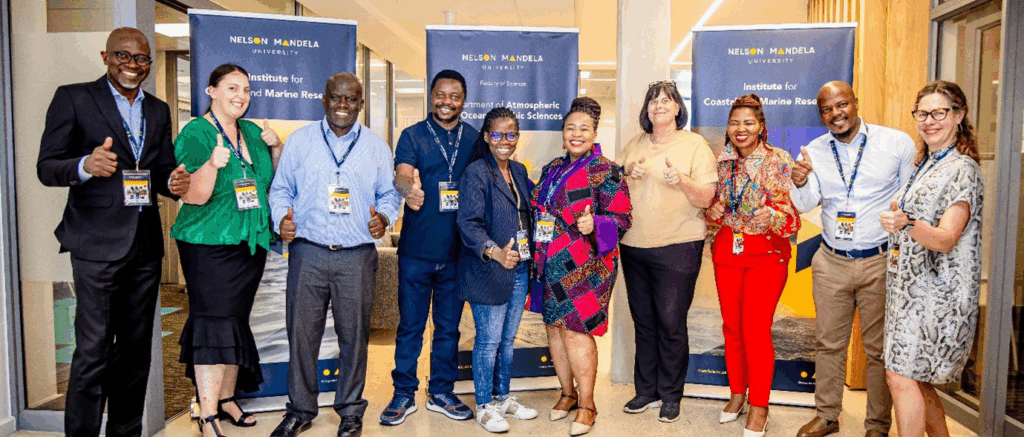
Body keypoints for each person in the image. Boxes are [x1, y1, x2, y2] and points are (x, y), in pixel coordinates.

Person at [36, 27, 190, 437]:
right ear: (106, 57)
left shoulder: (158, 110)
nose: (132, 65)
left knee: (136, 353)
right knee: (93, 351)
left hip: (144, 245)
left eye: (141, 58)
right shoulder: (74, 98)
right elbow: (46, 167)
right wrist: (85, 165)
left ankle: (126, 432)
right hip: (95, 245)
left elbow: (158, 169)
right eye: (123, 56)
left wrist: (171, 183)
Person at [268, 72, 401, 437]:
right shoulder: (300, 142)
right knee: (301, 336)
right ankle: (300, 410)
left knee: (354, 337)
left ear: (361, 104)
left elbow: (390, 194)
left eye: (352, 99)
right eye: (337, 97)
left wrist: (385, 217)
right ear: (324, 100)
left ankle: (351, 411)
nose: (344, 105)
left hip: (356, 257)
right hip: (307, 253)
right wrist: (281, 219)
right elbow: (280, 190)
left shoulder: (376, 147)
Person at [790, 81, 916, 437]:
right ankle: (827, 416)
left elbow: (910, 200)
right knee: (828, 344)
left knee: (878, 350)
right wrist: (799, 182)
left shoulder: (896, 143)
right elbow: (805, 205)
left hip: (880, 260)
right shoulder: (814, 151)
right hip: (831, 261)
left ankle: (877, 425)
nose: (836, 114)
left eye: (841, 104)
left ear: (855, 103)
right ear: (821, 115)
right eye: (827, 110)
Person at [171, 63, 283, 437]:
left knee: (235, 321)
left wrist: (276, 148)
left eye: (246, 90)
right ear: (212, 91)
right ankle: (207, 414)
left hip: (248, 243)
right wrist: (210, 165)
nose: (241, 96)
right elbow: (193, 196)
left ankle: (227, 399)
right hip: (208, 245)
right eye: (232, 88)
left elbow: (269, 181)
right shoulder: (195, 133)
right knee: (212, 323)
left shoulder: (251, 132)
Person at [879, 80, 983, 437]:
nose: (929, 121)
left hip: (938, 296)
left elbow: (947, 238)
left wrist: (907, 223)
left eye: (939, 113)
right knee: (917, 380)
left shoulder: (962, 168)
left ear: (959, 115)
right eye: (922, 114)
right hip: (909, 292)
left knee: (900, 377)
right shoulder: (926, 163)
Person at [381, 69, 478, 426]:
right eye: (440, 94)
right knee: (410, 327)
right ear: (431, 96)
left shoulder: (474, 138)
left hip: (457, 253)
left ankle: (441, 392)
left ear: (463, 101)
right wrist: (409, 190)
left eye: (454, 96)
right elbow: (402, 173)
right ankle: (403, 393)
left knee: (448, 329)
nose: (446, 102)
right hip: (417, 252)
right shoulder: (413, 135)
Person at [531, 97, 632, 436]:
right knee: (554, 328)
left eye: (583, 129)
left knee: (576, 330)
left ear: (594, 133)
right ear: (563, 133)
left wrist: (596, 224)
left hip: (587, 266)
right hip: (550, 262)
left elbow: (623, 218)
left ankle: (588, 405)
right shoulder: (552, 169)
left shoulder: (607, 170)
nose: (576, 134)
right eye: (570, 128)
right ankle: (567, 393)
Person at [619, 81, 717, 422]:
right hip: (633, 245)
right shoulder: (636, 143)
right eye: (653, 100)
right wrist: (626, 171)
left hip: (678, 246)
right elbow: (615, 186)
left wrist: (682, 181)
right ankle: (646, 391)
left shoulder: (695, 145)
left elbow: (707, 197)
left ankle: (671, 395)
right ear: (646, 109)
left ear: (678, 108)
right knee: (644, 323)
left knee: (671, 323)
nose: (658, 105)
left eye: (666, 100)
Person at [706, 94, 801, 437]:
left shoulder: (779, 160)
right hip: (728, 251)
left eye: (748, 122)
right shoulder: (721, 162)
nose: (741, 129)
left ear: (761, 126)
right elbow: (712, 208)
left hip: (767, 254)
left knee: (756, 330)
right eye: (734, 123)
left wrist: (771, 215)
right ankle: (737, 394)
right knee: (731, 327)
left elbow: (793, 219)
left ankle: (759, 405)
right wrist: (712, 211)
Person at [456, 107, 539, 433]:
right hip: (487, 270)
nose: (505, 140)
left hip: (518, 269)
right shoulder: (476, 172)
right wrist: (494, 252)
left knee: (507, 340)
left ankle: (503, 397)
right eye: (497, 134)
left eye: (511, 134)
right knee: (488, 342)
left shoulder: (518, 170)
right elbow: (468, 223)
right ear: (487, 137)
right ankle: (484, 405)